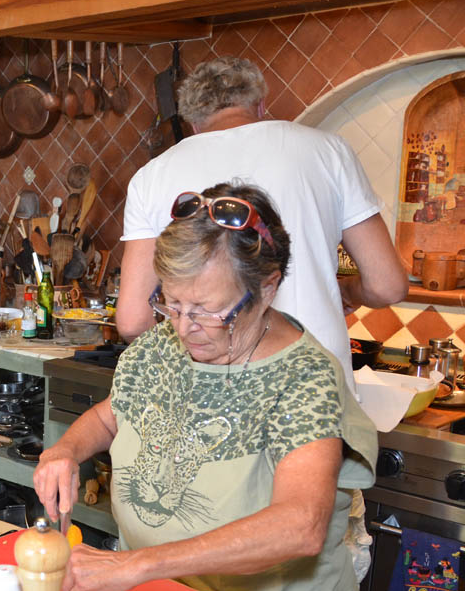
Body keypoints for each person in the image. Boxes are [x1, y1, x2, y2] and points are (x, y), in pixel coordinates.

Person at [35, 183, 376, 591]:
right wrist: (64, 451)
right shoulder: (161, 347)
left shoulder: (304, 376)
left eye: (207, 311)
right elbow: (112, 417)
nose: (183, 327)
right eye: (171, 304)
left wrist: (138, 564)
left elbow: (300, 525)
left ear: (267, 288)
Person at [116, 56, 407, 386]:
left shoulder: (152, 176)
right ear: (260, 106)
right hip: (314, 381)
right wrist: (347, 291)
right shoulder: (328, 150)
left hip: (209, 390)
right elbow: (388, 286)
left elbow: (133, 321)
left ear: (193, 123)